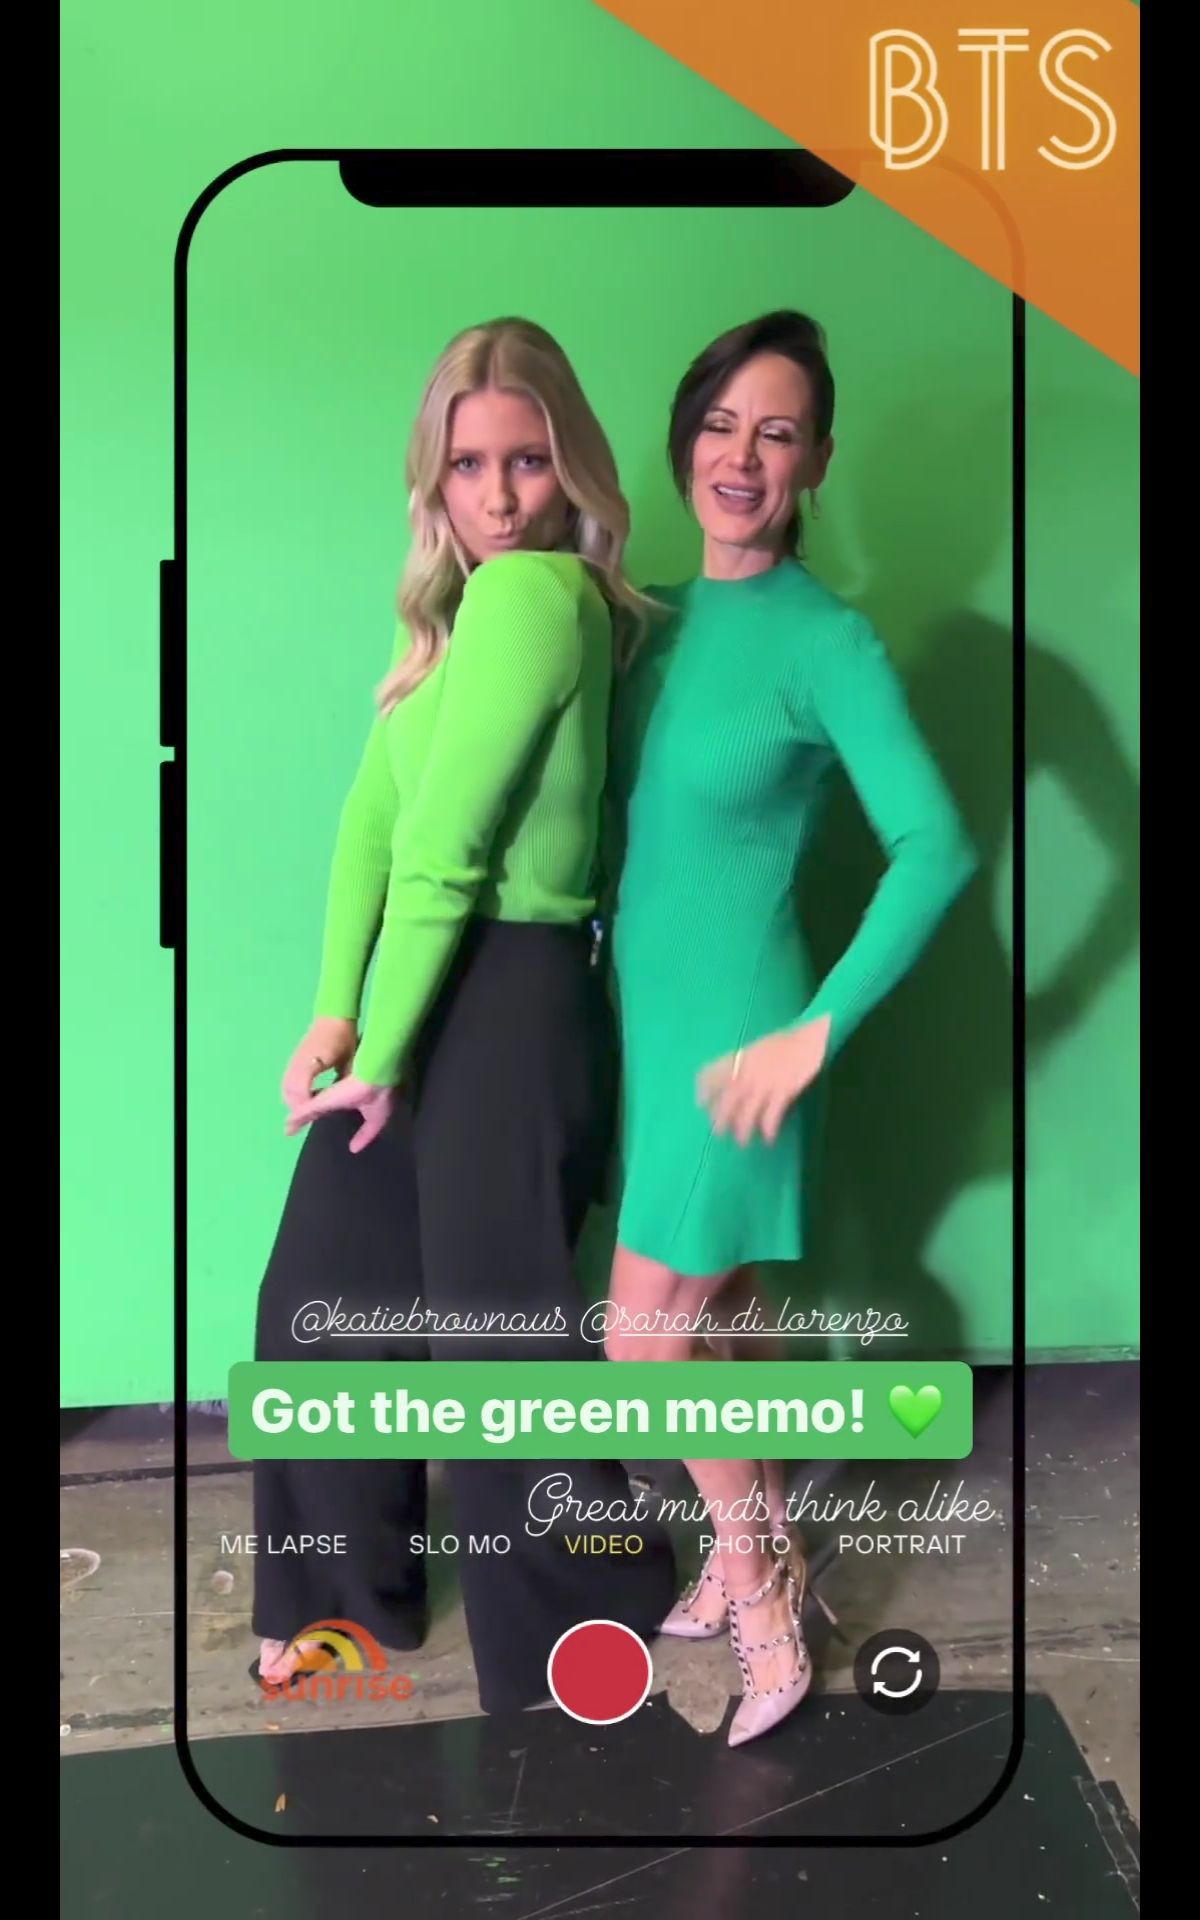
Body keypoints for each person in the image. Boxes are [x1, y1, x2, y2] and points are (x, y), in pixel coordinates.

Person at [251, 316, 676, 1714]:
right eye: (469, 464)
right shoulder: (444, 612)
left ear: (572, 467)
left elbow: (448, 847)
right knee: (318, 1298)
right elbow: (373, 820)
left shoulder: (537, 598)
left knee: (498, 1341)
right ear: (433, 477)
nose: (500, 496)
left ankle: (581, 1615)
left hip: (513, 995)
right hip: (426, 987)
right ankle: (342, 1592)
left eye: (529, 461)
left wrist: (382, 1052)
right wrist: (335, 1015)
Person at [602, 311, 979, 1746]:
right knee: (729, 1318)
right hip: (648, 1032)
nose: (742, 456)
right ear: (684, 442)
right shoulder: (646, 619)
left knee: (645, 1344)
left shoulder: (831, 641)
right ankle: (749, 1548)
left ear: (816, 460)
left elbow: (937, 846)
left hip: (744, 1039)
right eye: (720, 425)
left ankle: (765, 1605)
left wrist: (817, 1032)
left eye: (777, 432)